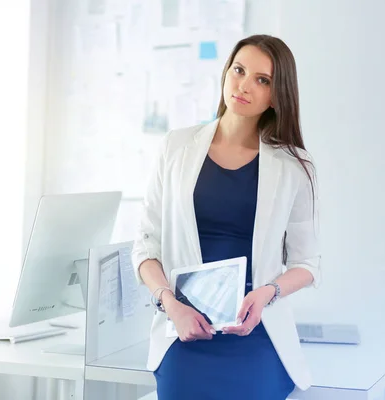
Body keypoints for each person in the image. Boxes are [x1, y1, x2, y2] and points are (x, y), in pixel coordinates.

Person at [131, 34, 321, 399]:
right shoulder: (176, 147)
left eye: (261, 80)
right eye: (239, 70)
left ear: (276, 94)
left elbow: (307, 263)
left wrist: (267, 293)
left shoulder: (295, 166)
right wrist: (170, 305)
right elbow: (145, 246)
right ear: (226, 72)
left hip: (255, 330)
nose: (244, 85)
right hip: (186, 328)